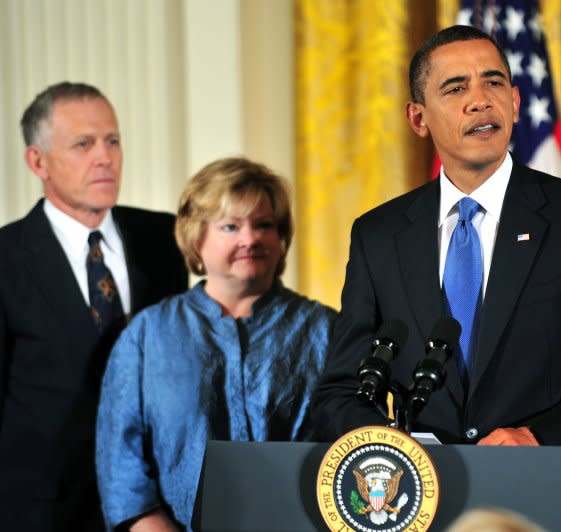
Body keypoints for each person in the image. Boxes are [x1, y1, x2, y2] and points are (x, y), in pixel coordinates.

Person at [312, 25, 561, 455]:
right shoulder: (378, 236)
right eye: (456, 88)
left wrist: (538, 438)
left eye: (493, 82)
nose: (480, 100)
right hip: (423, 503)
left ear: (515, 102)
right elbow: (341, 392)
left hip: (544, 501)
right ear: (418, 118)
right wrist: (386, 447)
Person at [95, 157, 335, 531]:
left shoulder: (326, 330)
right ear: (196, 238)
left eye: (264, 225)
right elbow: (121, 469)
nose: (250, 239)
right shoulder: (147, 335)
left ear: (281, 238)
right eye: (230, 226)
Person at [0, 82, 187, 531]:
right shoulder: (6, 258)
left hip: (151, 506)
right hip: (41, 509)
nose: (104, 157)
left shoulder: (166, 239)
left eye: (113, 141)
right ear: (37, 161)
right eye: (83, 143)